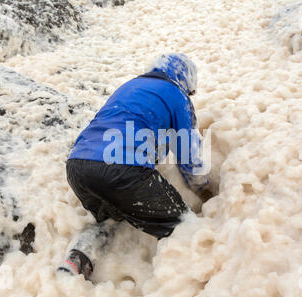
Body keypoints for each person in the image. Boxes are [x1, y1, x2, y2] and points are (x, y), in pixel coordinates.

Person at [58, 53, 212, 280]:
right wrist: (205, 190)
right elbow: (188, 153)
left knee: (112, 218)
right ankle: (187, 286)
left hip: (78, 167)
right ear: (185, 80)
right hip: (122, 169)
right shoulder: (176, 94)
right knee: (182, 225)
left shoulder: (131, 86)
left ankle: (77, 260)